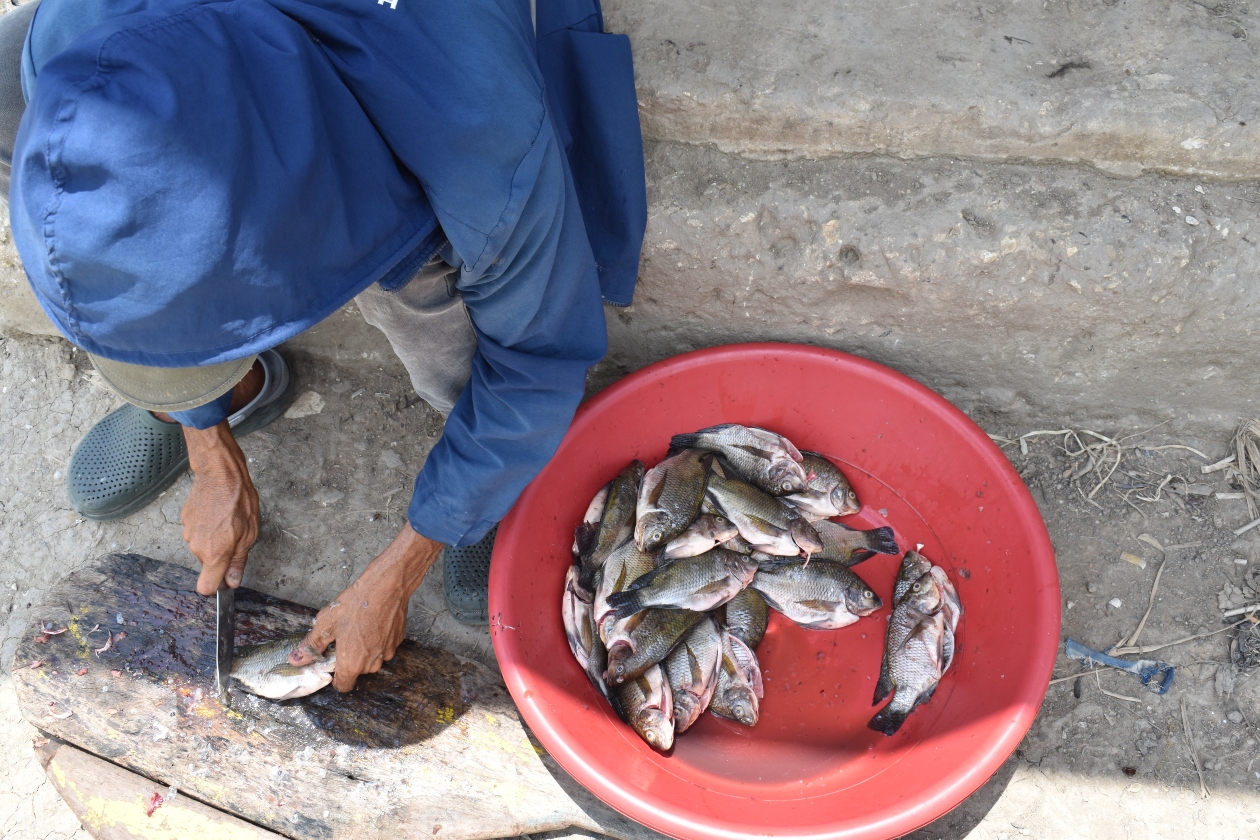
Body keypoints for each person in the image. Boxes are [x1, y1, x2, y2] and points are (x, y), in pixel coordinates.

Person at [3, 0, 645, 690]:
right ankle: (225, 386)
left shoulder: (480, 140)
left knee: (428, 300)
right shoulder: (81, 41)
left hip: (410, 64)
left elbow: (537, 358)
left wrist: (406, 561)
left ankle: (478, 483)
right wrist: (205, 439)